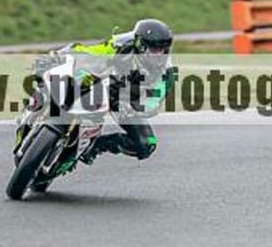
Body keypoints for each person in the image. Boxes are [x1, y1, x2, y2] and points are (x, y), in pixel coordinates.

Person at [14, 18, 175, 165]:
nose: (158, 55)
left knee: (147, 145)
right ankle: (31, 112)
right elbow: (90, 51)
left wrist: (134, 107)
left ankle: (95, 147)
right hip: (105, 81)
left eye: (162, 50)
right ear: (140, 44)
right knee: (53, 78)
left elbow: (154, 101)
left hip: (128, 102)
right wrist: (58, 56)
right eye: (153, 50)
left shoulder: (166, 73)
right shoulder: (122, 43)